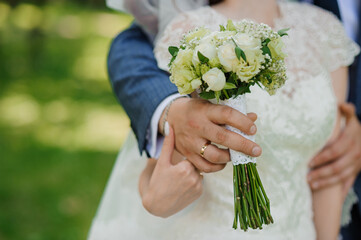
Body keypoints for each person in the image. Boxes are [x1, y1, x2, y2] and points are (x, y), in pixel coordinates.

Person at [88, 0, 360, 239]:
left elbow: (328, 169)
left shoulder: (323, 29)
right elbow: (169, 159)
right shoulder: (191, 33)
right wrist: (158, 193)